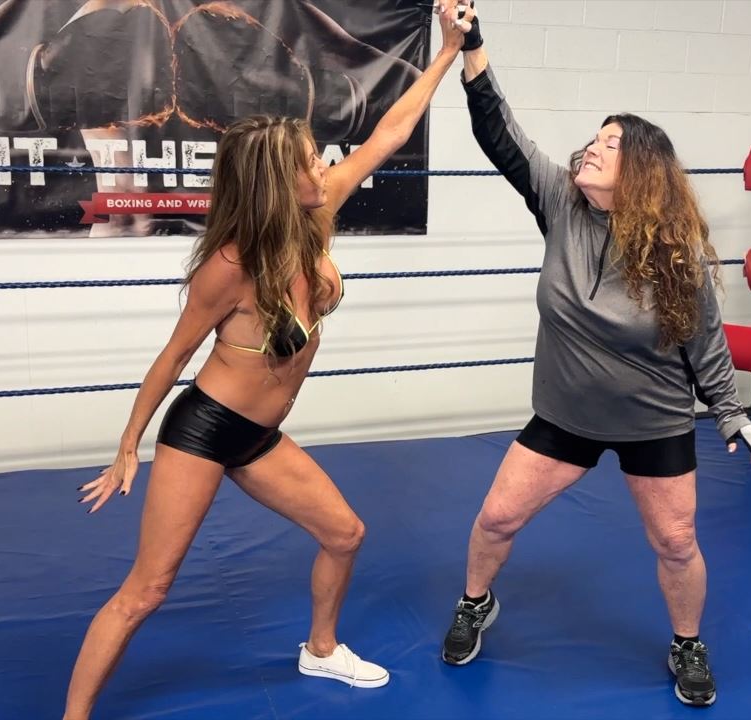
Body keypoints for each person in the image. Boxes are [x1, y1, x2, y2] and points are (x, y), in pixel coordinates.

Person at [62, 4, 473, 718]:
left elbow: (390, 132)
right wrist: (129, 443)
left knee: (345, 534)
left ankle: (321, 650)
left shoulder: (319, 212)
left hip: (259, 436)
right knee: (147, 591)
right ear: (278, 181)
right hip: (206, 429)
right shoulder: (230, 266)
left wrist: (446, 52)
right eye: (309, 159)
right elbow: (173, 356)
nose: (323, 164)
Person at [437, 4, 751, 708]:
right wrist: (472, 45)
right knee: (496, 519)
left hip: (653, 421)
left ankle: (687, 643)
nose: (590, 147)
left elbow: (705, 337)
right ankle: (475, 601)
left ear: (640, 171)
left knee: (676, 542)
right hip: (566, 416)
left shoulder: (675, 250)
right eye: (594, 137)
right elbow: (499, 131)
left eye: (609, 144)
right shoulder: (560, 201)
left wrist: (730, 413)